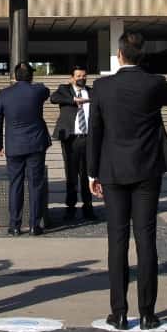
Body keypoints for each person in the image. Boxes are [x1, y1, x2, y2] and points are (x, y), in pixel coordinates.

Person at [88, 32, 167, 330]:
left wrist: (92, 172)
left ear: (119, 55)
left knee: (117, 240)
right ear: (142, 55)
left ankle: (119, 312)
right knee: (146, 238)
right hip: (147, 168)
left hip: (113, 169)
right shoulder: (154, 83)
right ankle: (148, 313)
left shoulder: (102, 86)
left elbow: (95, 131)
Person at [0, 62, 51, 236]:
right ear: (31, 76)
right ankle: (34, 225)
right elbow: (46, 90)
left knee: (15, 184)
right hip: (35, 143)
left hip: (14, 144)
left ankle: (15, 225)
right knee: (35, 184)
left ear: (15, 76)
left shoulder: (4, 93)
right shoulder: (38, 91)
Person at [51, 66, 95, 221]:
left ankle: (88, 207)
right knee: (71, 174)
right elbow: (53, 98)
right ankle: (70, 208)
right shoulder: (65, 90)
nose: (82, 78)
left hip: (88, 138)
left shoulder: (92, 92)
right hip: (71, 139)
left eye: (84, 75)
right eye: (78, 76)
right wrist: (73, 100)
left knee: (87, 174)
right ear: (72, 78)